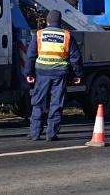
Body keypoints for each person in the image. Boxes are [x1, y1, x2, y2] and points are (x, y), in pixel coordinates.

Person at [25, 10, 82, 142]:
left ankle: (35, 133)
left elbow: (30, 55)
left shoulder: (39, 34)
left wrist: (29, 73)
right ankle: (51, 134)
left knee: (38, 102)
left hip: (42, 73)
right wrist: (78, 74)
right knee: (56, 102)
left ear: (47, 21)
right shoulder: (66, 36)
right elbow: (75, 57)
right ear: (60, 22)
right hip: (60, 74)